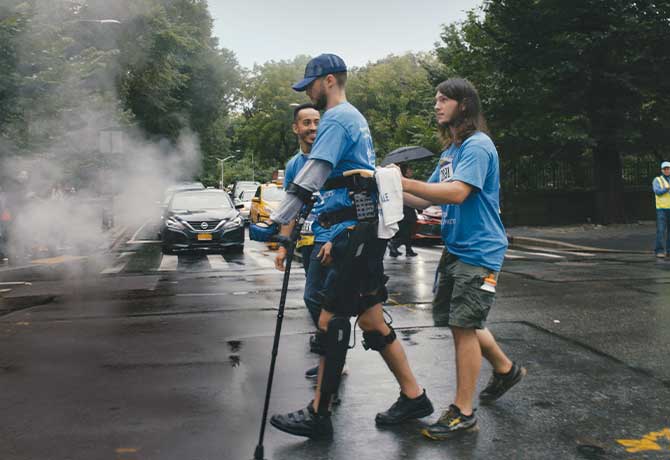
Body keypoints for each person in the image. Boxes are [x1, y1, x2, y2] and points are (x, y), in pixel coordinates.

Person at [261, 53, 433, 439]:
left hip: (354, 233)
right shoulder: (352, 117)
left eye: (310, 83)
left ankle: (319, 413)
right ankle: (414, 395)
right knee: (370, 320)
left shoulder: (338, 118)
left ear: (330, 80)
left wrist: (276, 225)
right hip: (362, 229)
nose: (307, 91)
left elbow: (314, 174)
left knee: (330, 321)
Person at [399, 78, 526, 440]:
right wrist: (387, 188)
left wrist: (405, 183)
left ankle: (463, 411)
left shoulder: (477, 146)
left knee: (464, 326)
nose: (436, 105)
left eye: (444, 100)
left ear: (464, 105)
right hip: (456, 248)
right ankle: (505, 369)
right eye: (436, 99)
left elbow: (456, 193)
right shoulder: (451, 151)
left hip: (480, 249)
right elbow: (427, 200)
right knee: (462, 320)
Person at [275, 103, 330, 379]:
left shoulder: (333, 157)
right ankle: (330, 355)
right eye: (307, 123)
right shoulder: (294, 165)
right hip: (307, 243)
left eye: (317, 122)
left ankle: (330, 356)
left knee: (314, 297)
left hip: (331, 238)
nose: (313, 128)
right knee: (320, 300)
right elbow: (291, 208)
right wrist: (284, 244)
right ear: (296, 128)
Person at [388, 164, 418, 257]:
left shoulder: (405, 181)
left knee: (407, 233)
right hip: (406, 211)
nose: (411, 171)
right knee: (406, 233)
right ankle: (394, 244)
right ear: (405, 171)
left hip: (405, 211)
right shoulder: (404, 182)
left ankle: (407, 250)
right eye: (409, 169)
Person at [653, 161, 670, 258]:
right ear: (662, 170)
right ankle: (659, 251)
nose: (667, 170)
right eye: (665, 169)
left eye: (668, 168)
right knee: (661, 230)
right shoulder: (657, 180)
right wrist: (667, 188)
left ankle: (669, 251)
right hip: (662, 209)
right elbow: (657, 191)